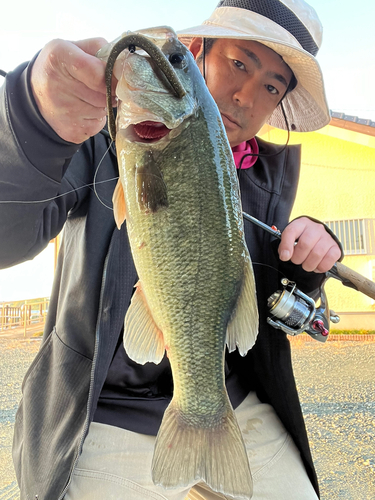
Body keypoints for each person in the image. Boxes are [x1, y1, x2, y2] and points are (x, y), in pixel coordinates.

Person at [0, 0, 343, 499]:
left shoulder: (267, 180)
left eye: (271, 85)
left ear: (280, 103)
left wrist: (309, 266)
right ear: (198, 52)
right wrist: (34, 124)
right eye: (239, 63)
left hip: (227, 398)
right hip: (103, 407)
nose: (246, 95)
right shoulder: (95, 136)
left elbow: (263, 312)